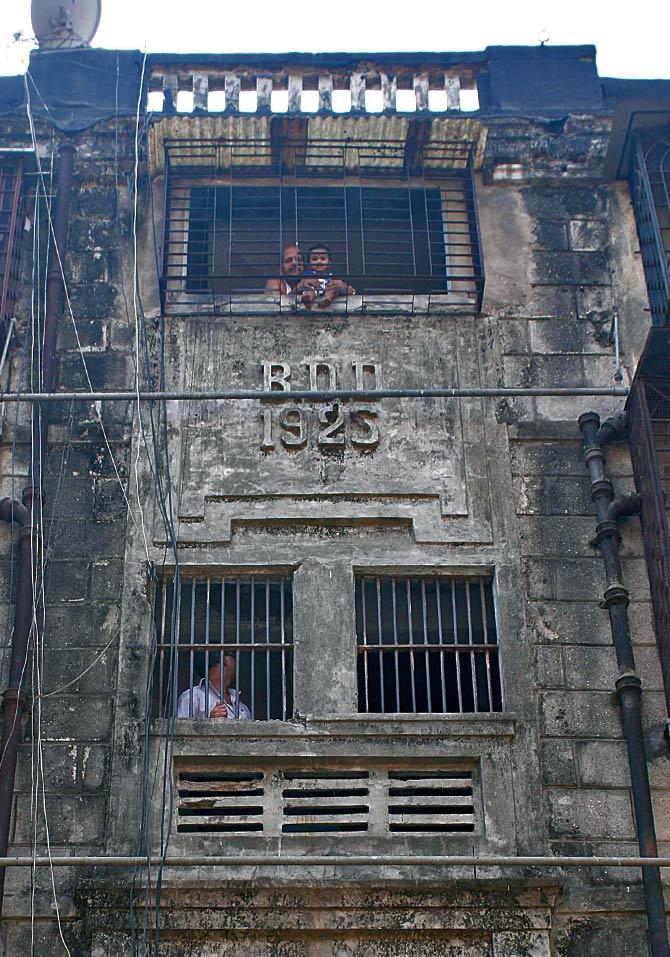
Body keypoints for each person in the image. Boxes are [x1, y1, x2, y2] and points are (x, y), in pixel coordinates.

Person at [176, 652, 251, 719]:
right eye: (232, 655)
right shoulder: (192, 698)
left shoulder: (241, 706)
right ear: (224, 662)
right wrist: (210, 725)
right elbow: (179, 732)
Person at [300, 244, 356, 309]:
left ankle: (327, 299)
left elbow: (341, 286)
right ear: (309, 263)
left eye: (323, 259)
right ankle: (308, 300)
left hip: (327, 289)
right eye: (314, 259)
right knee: (309, 291)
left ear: (329, 262)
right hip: (314, 289)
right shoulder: (308, 274)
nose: (319, 261)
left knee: (332, 291)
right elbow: (302, 282)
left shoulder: (331, 276)